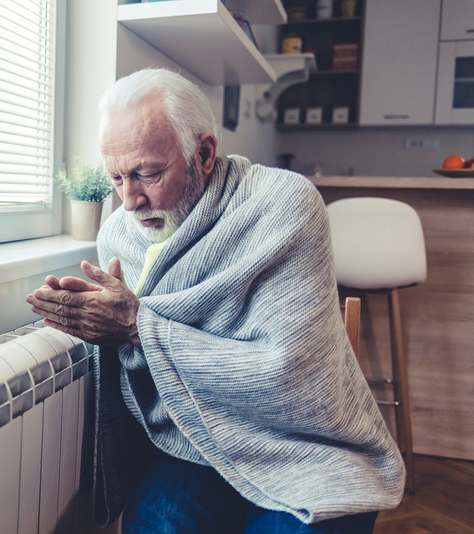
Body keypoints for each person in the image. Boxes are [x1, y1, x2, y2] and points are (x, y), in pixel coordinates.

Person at [26, 68, 404, 534]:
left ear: (203, 153)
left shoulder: (283, 205)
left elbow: (292, 380)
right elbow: (143, 381)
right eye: (116, 178)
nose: (130, 200)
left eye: (147, 173)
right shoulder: (118, 235)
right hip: (193, 439)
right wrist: (103, 327)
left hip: (306, 446)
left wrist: (135, 326)